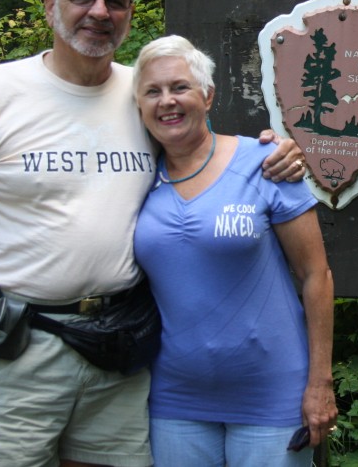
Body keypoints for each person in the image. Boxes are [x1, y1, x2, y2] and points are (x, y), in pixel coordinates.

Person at [0, 0, 304, 467]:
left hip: (119, 354)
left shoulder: (144, 94)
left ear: (130, 16)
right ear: (50, 6)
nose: (99, 11)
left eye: (115, 0)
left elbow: (204, 153)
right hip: (17, 348)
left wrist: (276, 149)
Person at [132, 35, 337, 467]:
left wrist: (320, 382)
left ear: (207, 96)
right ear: (139, 105)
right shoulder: (134, 178)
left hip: (271, 396)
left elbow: (315, 275)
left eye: (180, 87)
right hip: (174, 399)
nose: (167, 101)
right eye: (153, 91)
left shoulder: (265, 163)